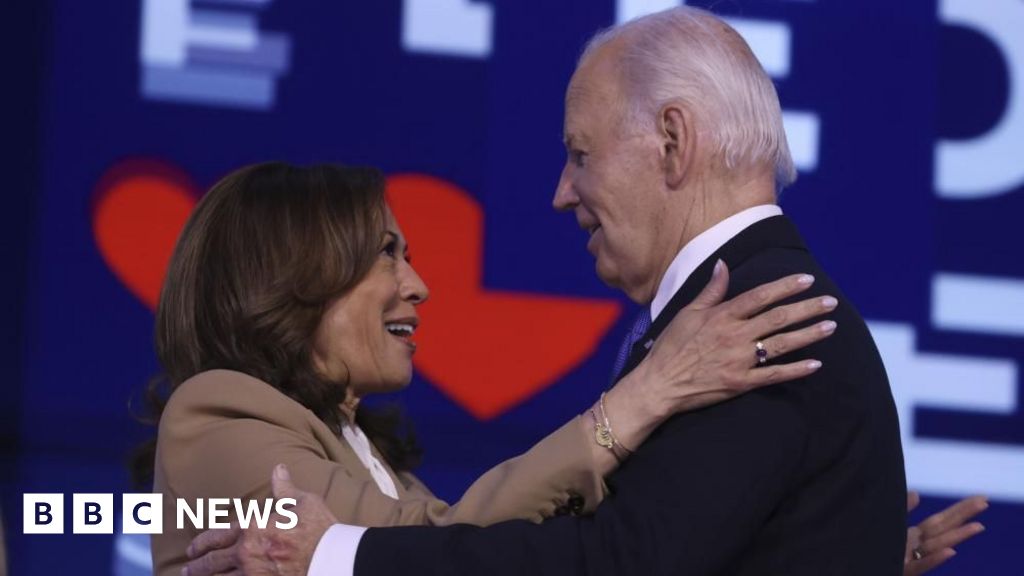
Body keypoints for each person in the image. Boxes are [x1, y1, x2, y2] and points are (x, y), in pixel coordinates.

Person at [182, 6, 990, 576]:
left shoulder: (756, 320)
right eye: (384, 255)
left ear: (672, 142)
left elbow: (619, 560)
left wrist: (334, 557)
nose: (562, 193)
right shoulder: (722, 323)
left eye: (581, 153)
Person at [147, 161, 834, 576]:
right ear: (293, 274)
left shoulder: (365, 450)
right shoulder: (217, 416)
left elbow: (482, 560)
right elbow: (424, 556)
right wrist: (638, 401)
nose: (417, 285)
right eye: (386, 253)